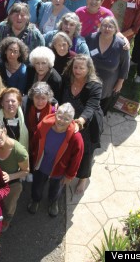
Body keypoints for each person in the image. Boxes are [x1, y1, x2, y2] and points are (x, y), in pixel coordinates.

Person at [28, 103, 84, 216]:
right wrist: (30, 161)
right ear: (55, 113)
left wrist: (69, 176)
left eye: (66, 119)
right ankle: (35, 200)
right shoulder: (43, 126)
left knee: (56, 188)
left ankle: (53, 202)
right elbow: (33, 143)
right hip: (41, 166)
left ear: (72, 120)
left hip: (59, 170)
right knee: (37, 185)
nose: (61, 121)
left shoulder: (76, 137)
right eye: (60, 116)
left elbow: (76, 159)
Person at [60, 55, 103, 194]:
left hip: (87, 124)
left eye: (81, 68)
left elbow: (91, 107)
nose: (77, 70)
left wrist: (81, 121)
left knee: (85, 151)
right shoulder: (67, 79)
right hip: (67, 119)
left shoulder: (95, 85)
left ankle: (83, 178)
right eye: (75, 67)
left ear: (88, 69)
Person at [0, 118, 29, 232]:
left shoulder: (19, 151)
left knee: (9, 205)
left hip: (12, 183)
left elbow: (26, 171)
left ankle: (7, 219)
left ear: (4, 130)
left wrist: (10, 176)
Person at [86, 16, 130, 114]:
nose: (107, 29)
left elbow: (125, 66)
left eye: (110, 26)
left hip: (108, 86)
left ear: (115, 30)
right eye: (104, 26)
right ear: (100, 27)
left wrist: (120, 82)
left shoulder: (121, 45)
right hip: (90, 80)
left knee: (102, 109)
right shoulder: (90, 39)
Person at [24, 82, 55, 171]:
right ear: (32, 97)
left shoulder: (53, 111)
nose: (40, 102)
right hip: (28, 142)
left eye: (43, 98)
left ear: (48, 98)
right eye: (37, 98)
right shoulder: (26, 108)